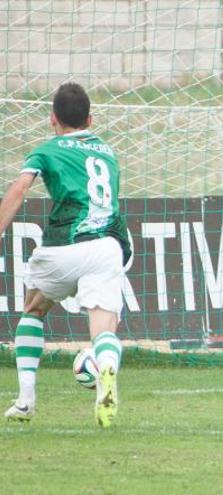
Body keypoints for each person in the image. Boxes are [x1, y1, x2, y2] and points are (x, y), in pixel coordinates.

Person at [3, 83, 131, 428]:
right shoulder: (107, 150)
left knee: (34, 308)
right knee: (104, 330)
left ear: (52, 119)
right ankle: (106, 369)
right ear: (90, 119)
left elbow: (20, 188)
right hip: (107, 247)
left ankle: (26, 400)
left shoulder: (47, 149)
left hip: (65, 246)